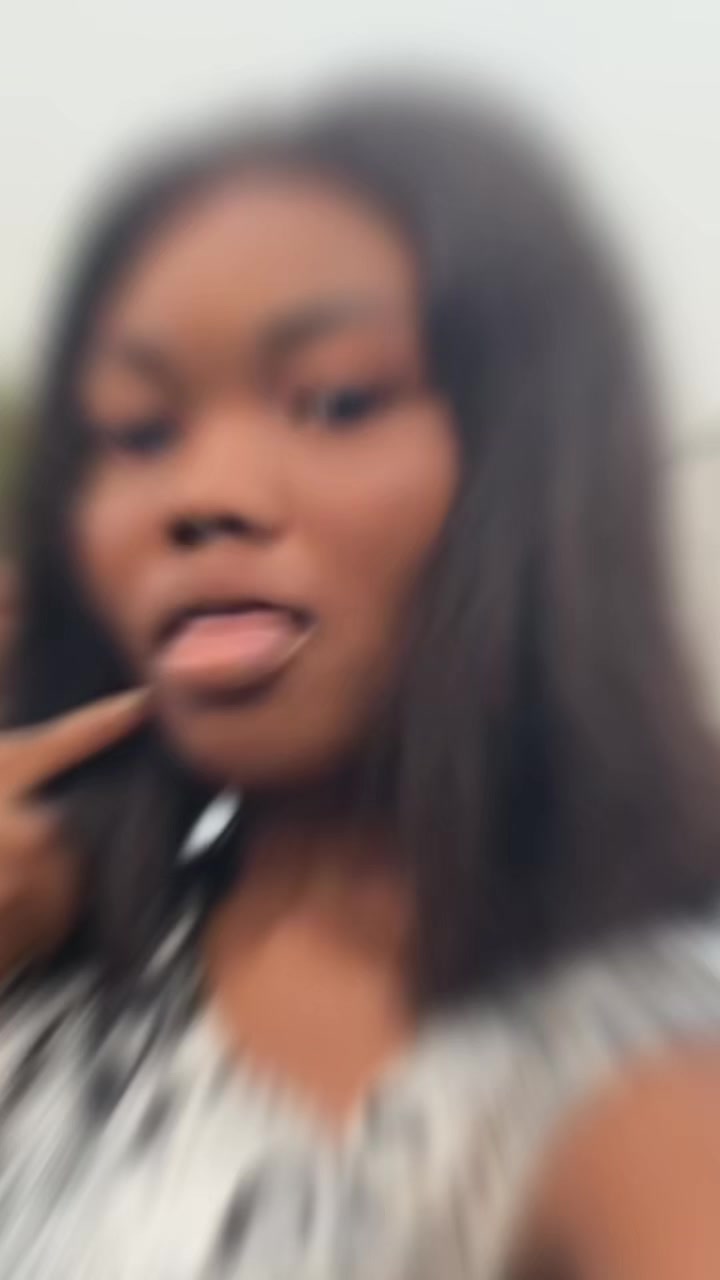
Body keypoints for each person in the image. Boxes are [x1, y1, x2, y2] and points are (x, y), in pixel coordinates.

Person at [2, 86, 720, 1280]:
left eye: (336, 401)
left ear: (532, 465)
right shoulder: (60, 946)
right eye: (138, 431)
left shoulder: (648, 1067)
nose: (201, 494)